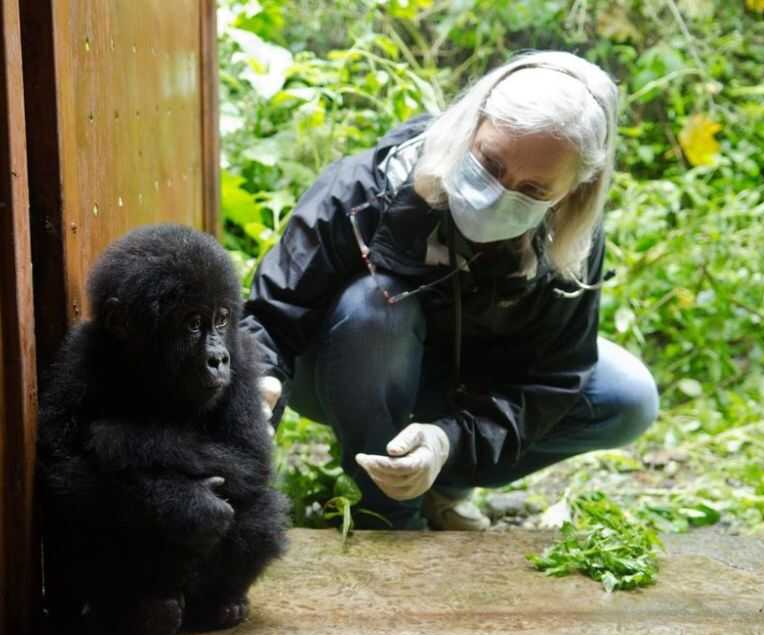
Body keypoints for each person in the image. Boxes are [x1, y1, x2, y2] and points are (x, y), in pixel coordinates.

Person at [241, 50, 659, 531]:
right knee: (376, 307)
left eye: (535, 190)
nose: (501, 194)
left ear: (573, 192)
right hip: (348, 373)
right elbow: (272, 315)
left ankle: (442, 482)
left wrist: (450, 441)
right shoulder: (365, 189)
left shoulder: (571, 239)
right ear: (472, 125)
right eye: (491, 163)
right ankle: (389, 511)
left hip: (465, 394)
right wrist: (260, 382)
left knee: (628, 397)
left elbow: (554, 377)